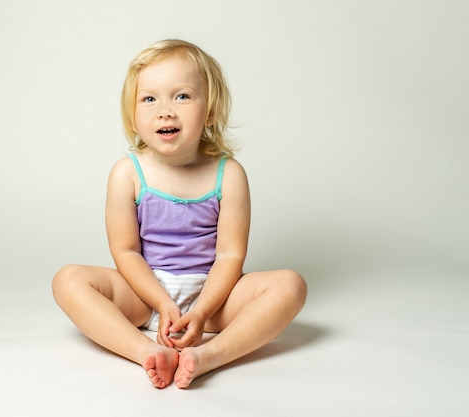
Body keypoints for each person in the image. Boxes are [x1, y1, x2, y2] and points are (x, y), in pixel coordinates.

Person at [52, 39, 307, 389]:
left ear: (211, 111)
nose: (165, 110)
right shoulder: (127, 174)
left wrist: (201, 310)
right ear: (133, 115)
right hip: (143, 295)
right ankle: (144, 351)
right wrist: (159, 299)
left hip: (215, 299)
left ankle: (209, 355)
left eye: (182, 96)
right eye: (149, 99)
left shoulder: (228, 174)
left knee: (290, 286)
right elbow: (125, 251)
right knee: (68, 280)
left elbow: (230, 254)